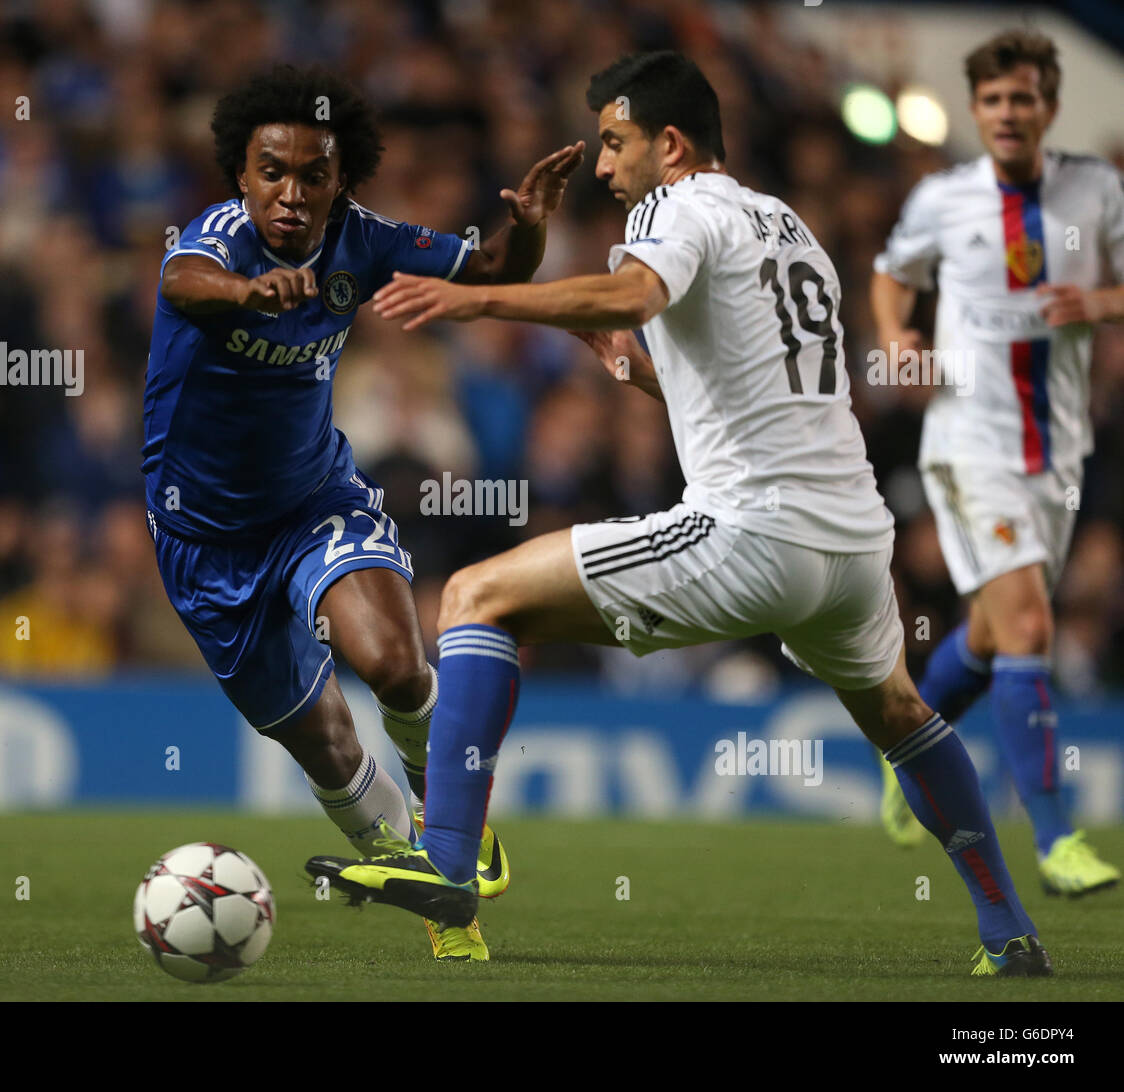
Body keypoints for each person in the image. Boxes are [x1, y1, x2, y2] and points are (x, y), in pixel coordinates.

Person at [307, 50, 1052, 976]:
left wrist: (478, 299)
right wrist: (623, 362)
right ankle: (1008, 930)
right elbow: (739, 387)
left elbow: (636, 291)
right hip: (851, 544)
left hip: (752, 532)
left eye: (615, 145)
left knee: (473, 596)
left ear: (670, 142)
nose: (606, 169)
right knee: (900, 713)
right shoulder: (787, 224)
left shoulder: (675, 206)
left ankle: (449, 864)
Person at [144, 63, 584, 960]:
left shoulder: (363, 239)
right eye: (273, 172)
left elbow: (495, 269)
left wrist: (528, 229)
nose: (293, 193)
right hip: (203, 545)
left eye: (314, 175)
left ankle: (451, 830)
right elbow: (184, 284)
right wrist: (248, 293)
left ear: (342, 180)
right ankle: (437, 899)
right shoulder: (215, 243)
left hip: (316, 503)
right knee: (330, 750)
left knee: (391, 662)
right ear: (242, 174)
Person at [870, 30, 1121, 898]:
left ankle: (907, 751)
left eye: (1024, 98)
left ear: (1049, 104)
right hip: (968, 441)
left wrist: (1100, 299)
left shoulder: (1096, 188)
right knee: (1029, 629)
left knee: (989, 630)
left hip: (1057, 450)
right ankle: (1055, 840)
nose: (1009, 113)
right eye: (994, 101)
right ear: (977, 111)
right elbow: (890, 273)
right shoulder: (945, 198)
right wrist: (899, 335)